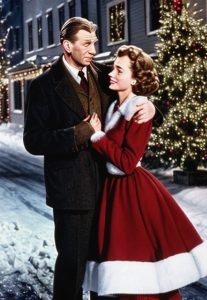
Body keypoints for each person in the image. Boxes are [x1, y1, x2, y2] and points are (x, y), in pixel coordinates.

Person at [23, 18, 155, 300]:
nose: (94, 49)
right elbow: (33, 141)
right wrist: (80, 132)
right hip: (71, 194)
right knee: (72, 268)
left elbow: (137, 90)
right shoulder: (43, 86)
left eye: (95, 42)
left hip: (109, 192)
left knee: (103, 270)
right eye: (87, 43)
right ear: (67, 45)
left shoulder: (106, 76)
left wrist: (150, 105)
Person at [82, 45, 207, 300]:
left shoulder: (139, 109)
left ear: (134, 79)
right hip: (114, 192)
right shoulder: (114, 105)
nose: (111, 73)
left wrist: (98, 137)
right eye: (113, 67)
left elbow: (126, 162)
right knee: (124, 269)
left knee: (142, 265)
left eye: (119, 70)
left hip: (133, 193)